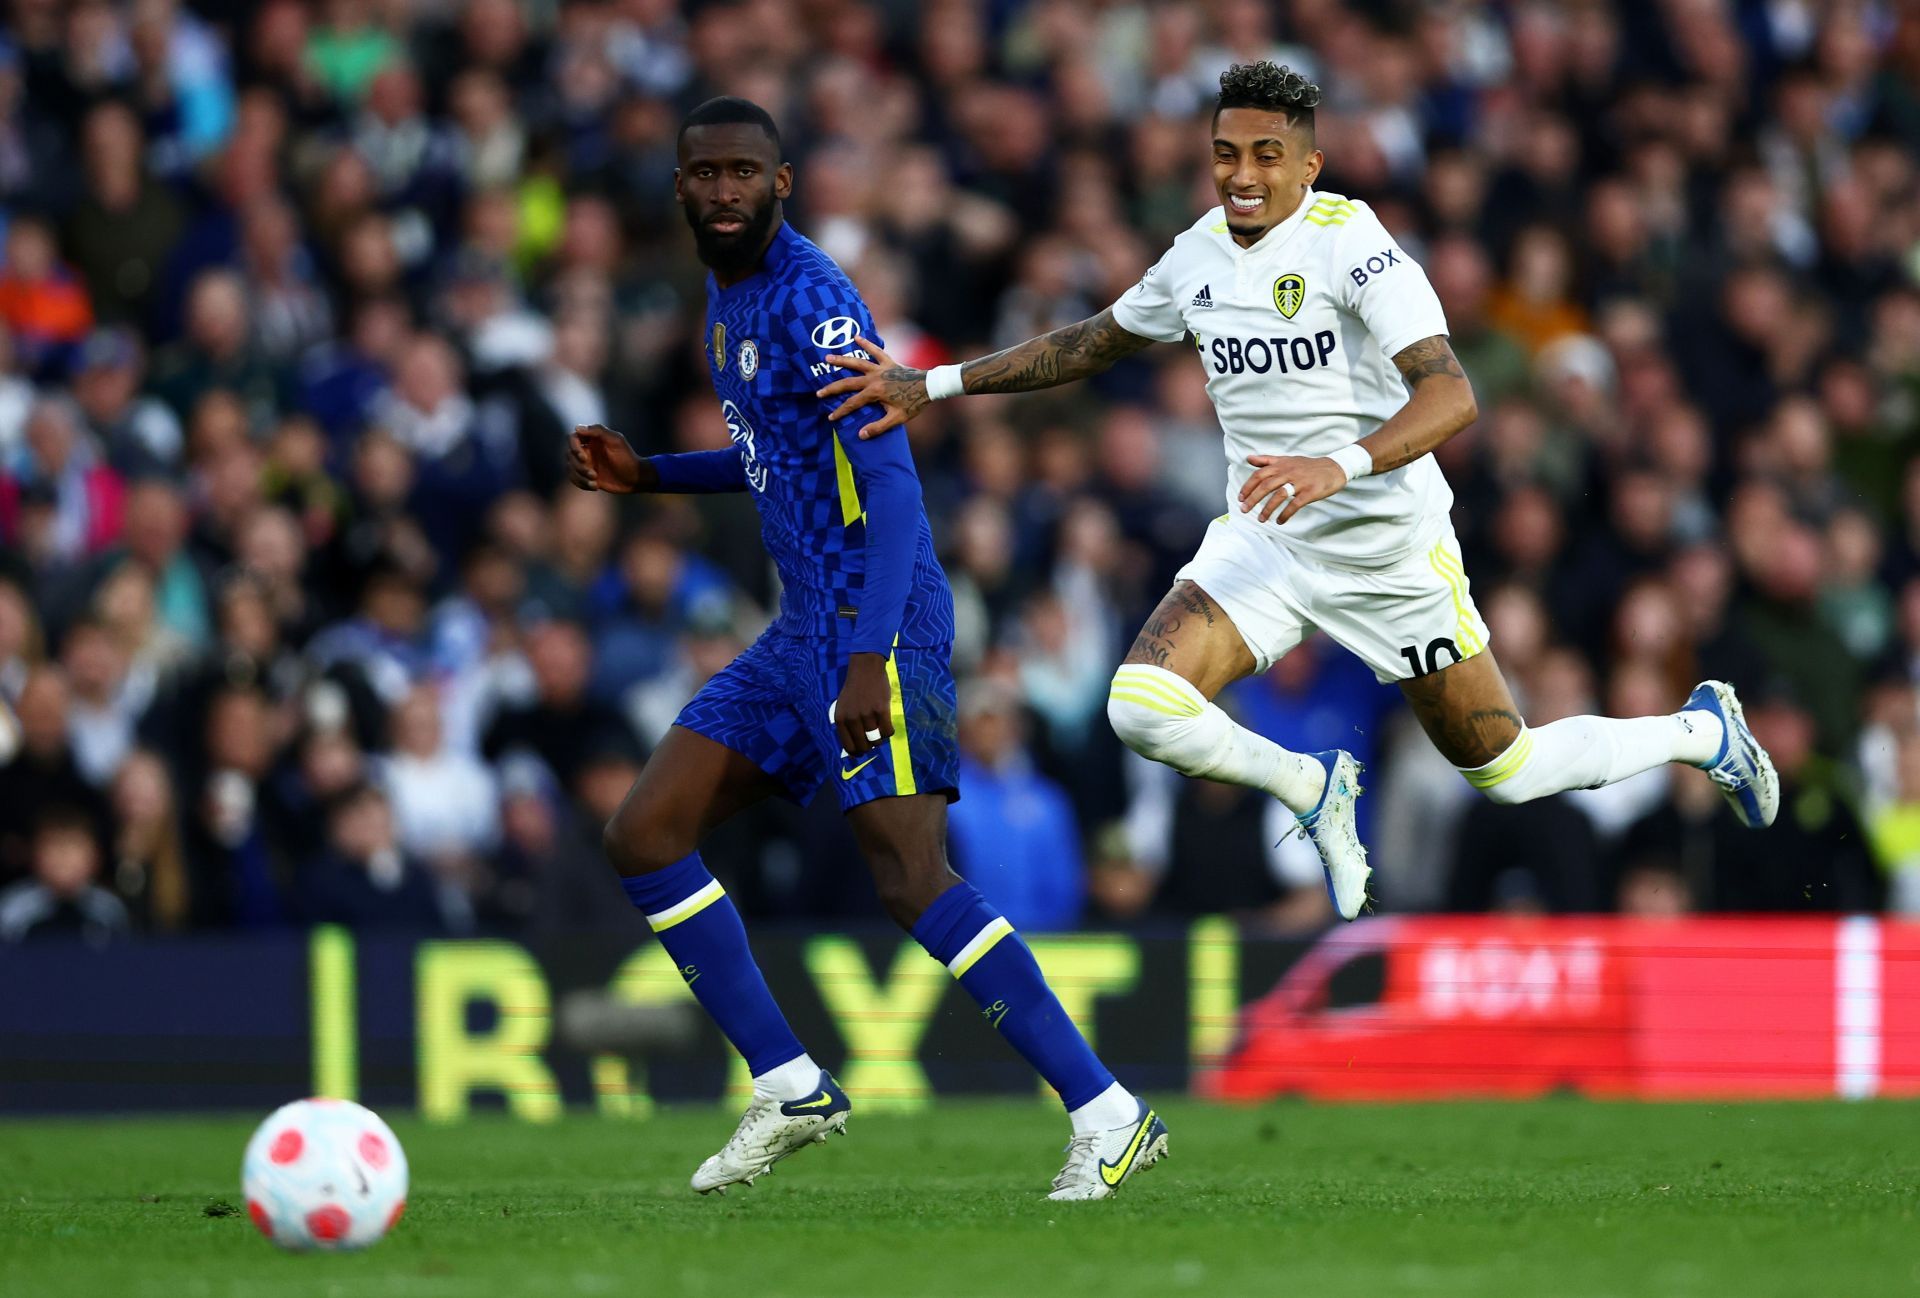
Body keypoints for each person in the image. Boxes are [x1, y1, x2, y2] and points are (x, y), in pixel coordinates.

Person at [820, 62, 1782, 918]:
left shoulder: (1354, 247)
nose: (1242, 174)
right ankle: (1312, 787)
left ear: (1309, 166)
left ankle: (1702, 730)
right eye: (1226, 153)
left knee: (1507, 770)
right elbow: (1092, 340)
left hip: (1386, 553)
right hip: (1269, 540)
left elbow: (1453, 393)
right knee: (1139, 706)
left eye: (1267, 155)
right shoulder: (1196, 255)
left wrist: (1343, 462)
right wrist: (931, 384)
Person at [565, 97, 1164, 1201]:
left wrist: (866, 659)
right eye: (706, 173)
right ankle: (789, 1082)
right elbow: (775, 458)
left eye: (746, 171)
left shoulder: (815, 302)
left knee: (911, 877)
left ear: (782, 183)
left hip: (878, 627)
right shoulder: (725, 297)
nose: (724, 189)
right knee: (646, 832)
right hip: (801, 630)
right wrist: (649, 473)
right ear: (683, 185)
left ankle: (1107, 1109)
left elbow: (889, 492)